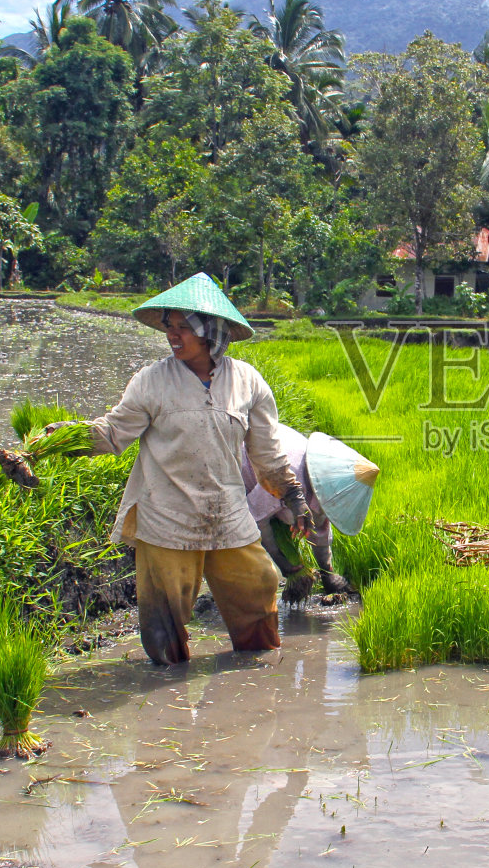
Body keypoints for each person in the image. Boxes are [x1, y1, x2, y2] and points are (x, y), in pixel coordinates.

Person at [52, 273, 312, 665]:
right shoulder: (152, 381)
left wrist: (295, 497)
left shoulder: (246, 382)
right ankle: (166, 685)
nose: (173, 335)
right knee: (163, 617)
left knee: (260, 585)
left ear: (211, 331)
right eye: (168, 327)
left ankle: (256, 673)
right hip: (167, 517)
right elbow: (113, 433)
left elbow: (268, 454)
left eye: (183, 328)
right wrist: (62, 439)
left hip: (227, 513)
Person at [241, 424, 380, 603]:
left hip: (269, 484)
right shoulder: (286, 474)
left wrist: (328, 572)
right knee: (240, 542)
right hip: (236, 468)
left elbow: (319, 525)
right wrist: (281, 560)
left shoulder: (320, 484)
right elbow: (257, 517)